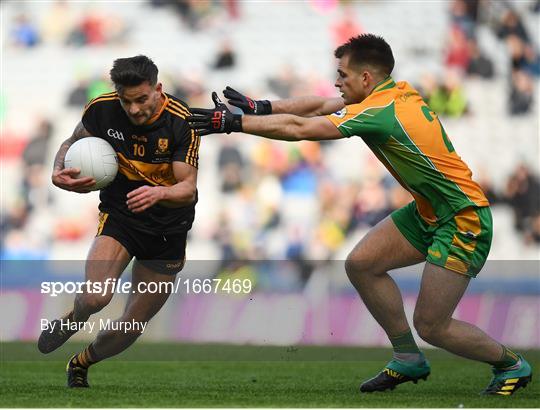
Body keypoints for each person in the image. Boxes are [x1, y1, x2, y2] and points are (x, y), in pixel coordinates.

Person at [187, 34, 532, 396]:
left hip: (463, 219)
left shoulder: (379, 111)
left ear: (366, 78)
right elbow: (320, 105)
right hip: (430, 212)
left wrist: (232, 123)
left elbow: (301, 128)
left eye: (343, 75)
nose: (337, 82)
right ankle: (406, 358)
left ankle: (511, 364)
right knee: (362, 263)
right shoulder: (393, 93)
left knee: (432, 325)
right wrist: (261, 107)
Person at [38, 55, 200, 388]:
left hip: (167, 230)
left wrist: (159, 194)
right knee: (96, 298)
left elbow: (188, 189)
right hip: (121, 215)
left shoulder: (181, 121)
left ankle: (81, 362)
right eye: (127, 101)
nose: (135, 109)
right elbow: (72, 142)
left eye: (142, 99)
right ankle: (75, 318)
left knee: (132, 325)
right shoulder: (102, 109)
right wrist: (57, 172)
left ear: (158, 89)